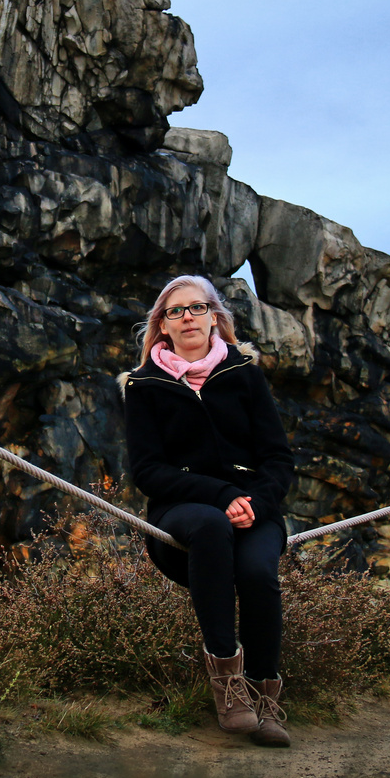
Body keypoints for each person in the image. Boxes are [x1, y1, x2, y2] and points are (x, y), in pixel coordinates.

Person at [120, 274, 296, 747]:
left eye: (197, 308)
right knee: (212, 524)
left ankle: (266, 698)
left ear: (215, 317)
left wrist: (255, 503)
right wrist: (222, 497)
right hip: (182, 518)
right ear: (162, 327)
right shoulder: (142, 386)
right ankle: (228, 685)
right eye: (175, 311)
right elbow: (148, 470)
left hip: (255, 511)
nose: (187, 317)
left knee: (259, 574)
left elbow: (278, 460)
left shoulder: (245, 374)